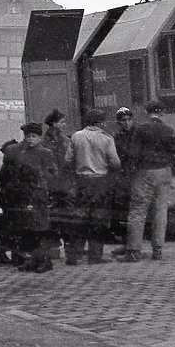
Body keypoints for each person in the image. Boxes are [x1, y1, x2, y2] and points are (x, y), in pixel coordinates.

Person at [117, 101, 175, 262]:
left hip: (145, 171)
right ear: (162, 112)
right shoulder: (169, 130)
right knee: (160, 211)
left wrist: (132, 169)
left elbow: (134, 153)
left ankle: (134, 251)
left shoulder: (141, 129)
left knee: (138, 211)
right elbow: (173, 153)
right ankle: (158, 250)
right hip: (164, 171)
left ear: (146, 111)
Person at [65, 109, 120, 265]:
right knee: (98, 220)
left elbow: (68, 160)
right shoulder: (106, 138)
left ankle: (73, 255)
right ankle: (95, 256)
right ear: (101, 122)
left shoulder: (76, 136)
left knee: (80, 219)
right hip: (100, 183)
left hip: (81, 181)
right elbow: (115, 162)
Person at [10, 123, 56, 273]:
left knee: (41, 228)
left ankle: (45, 260)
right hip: (26, 195)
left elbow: (52, 174)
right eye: (28, 136)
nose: (30, 139)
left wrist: (41, 181)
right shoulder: (23, 153)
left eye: (34, 136)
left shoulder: (45, 153)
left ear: (39, 137)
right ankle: (31, 260)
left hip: (40, 195)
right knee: (28, 229)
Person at [40, 109, 73, 257]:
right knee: (51, 217)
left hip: (64, 185)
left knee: (66, 217)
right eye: (62, 122)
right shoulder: (44, 142)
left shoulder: (65, 140)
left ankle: (68, 247)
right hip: (51, 185)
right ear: (54, 124)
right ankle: (53, 247)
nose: (64, 125)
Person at [110, 107, 136, 255]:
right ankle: (127, 243)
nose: (126, 123)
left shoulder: (137, 135)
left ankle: (133, 244)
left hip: (134, 175)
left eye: (128, 120)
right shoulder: (116, 138)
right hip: (122, 176)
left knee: (135, 211)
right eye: (123, 121)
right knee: (123, 211)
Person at [0, 138, 21, 265]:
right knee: (13, 228)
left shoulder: (6, 165)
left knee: (7, 227)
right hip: (12, 201)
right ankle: (14, 254)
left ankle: (3, 253)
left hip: (7, 201)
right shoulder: (10, 166)